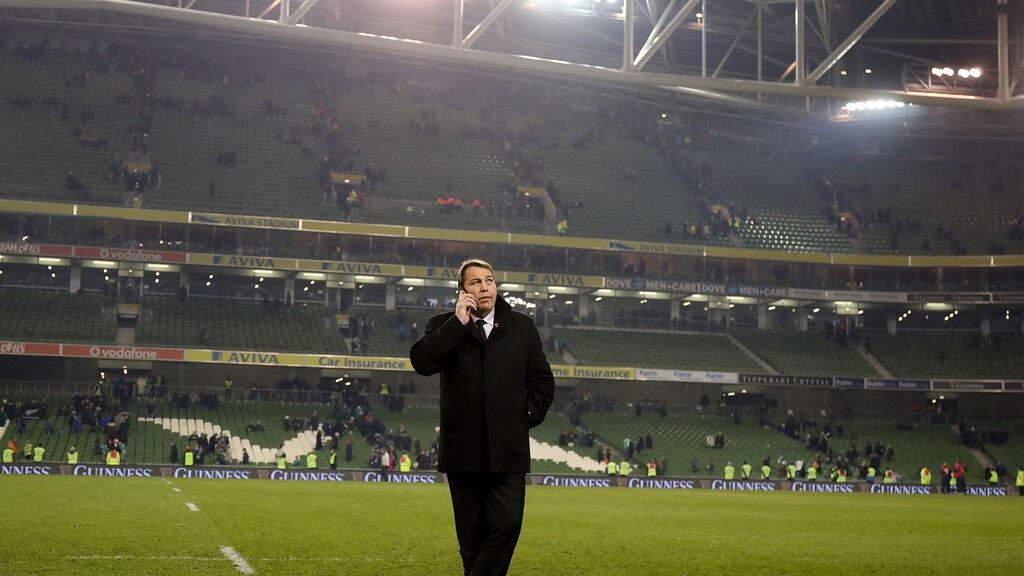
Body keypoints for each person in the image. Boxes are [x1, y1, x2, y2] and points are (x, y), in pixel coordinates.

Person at [410, 258, 555, 576]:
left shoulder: (522, 327)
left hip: (508, 450)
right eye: (475, 282)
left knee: (508, 524)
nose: (484, 286)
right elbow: (421, 361)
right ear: (462, 291)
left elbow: (542, 381)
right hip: (463, 452)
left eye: (489, 280)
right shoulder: (442, 325)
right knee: (472, 542)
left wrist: (525, 417)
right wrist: (457, 326)